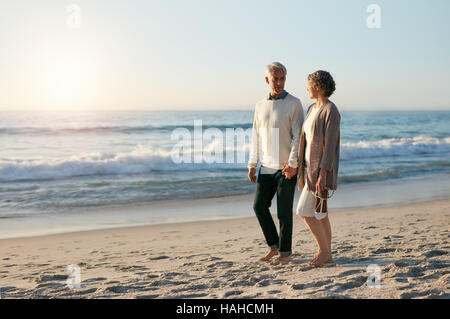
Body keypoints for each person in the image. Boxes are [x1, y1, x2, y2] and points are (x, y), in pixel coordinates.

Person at [248, 62, 304, 264]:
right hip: (266, 166)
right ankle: (274, 246)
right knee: (259, 207)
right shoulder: (260, 105)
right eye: (275, 79)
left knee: (283, 212)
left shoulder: (294, 103)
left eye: (282, 79)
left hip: (286, 168)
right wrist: (252, 163)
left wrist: (293, 164)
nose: (279, 83)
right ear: (267, 80)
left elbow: (298, 136)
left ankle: (285, 254)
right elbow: (256, 135)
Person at [293, 70, 340, 268]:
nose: (307, 88)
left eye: (310, 84)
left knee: (304, 211)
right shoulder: (312, 108)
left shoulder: (331, 110)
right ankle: (327, 254)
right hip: (307, 170)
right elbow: (306, 140)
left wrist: (323, 174)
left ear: (318, 86)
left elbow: (329, 146)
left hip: (319, 173)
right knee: (320, 214)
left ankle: (324, 252)